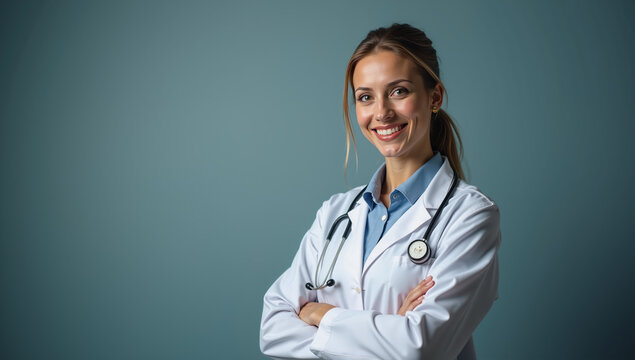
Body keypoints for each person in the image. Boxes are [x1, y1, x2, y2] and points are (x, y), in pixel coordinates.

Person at [260, 23, 501, 360]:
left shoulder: (471, 215)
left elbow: (420, 347)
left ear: (434, 97)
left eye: (399, 91)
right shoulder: (336, 213)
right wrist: (390, 328)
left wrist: (321, 315)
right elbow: (272, 328)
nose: (382, 112)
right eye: (365, 97)